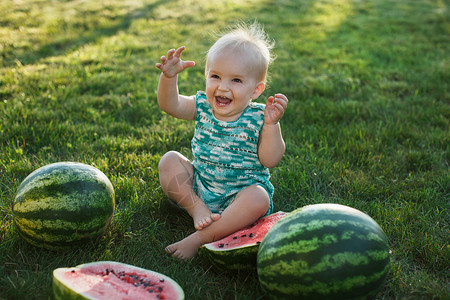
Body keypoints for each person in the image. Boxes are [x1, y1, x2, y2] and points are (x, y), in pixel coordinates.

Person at [156, 22, 289, 259]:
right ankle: (196, 208)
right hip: (200, 186)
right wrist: (169, 78)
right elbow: (170, 105)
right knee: (169, 161)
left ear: (256, 89)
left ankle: (199, 239)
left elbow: (271, 159)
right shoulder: (202, 106)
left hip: (240, 198)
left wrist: (272, 125)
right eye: (216, 76)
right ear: (206, 76)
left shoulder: (258, 117)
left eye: (236, 80)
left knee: (258, 196)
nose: (223, 87)